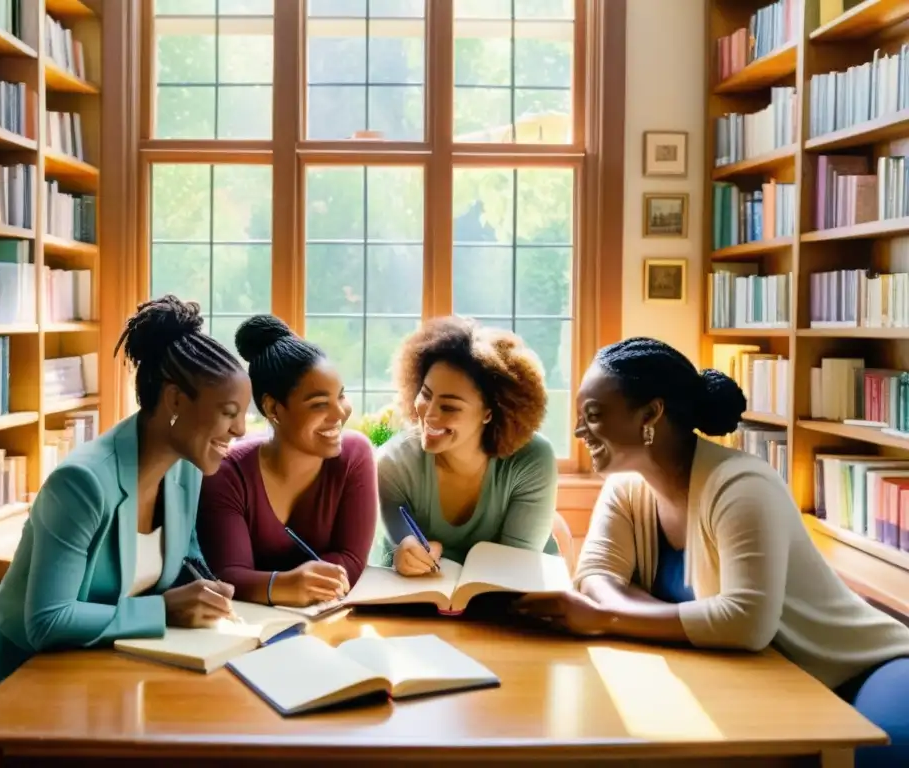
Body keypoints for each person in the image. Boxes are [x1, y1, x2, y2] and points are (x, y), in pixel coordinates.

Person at [514, 337, 909, 768]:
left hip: (863, 671)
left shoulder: (742, 486)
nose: (578, 432)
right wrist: (619, 609)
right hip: (768, 681)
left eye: (593, 416)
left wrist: (609, 617)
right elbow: (594, 577)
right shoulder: (626, 488)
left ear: (650, 414)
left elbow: (745, 623)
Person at [0, 296, 250, 768]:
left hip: (89, 677)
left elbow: (179, 564)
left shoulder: (187, 470)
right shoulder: (82, 483)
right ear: (175, 400)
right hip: (6, 689)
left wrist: (204, 590)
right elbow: (48, 620)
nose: (240, 429)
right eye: (230, 411)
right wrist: (164, 610)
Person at [197, 315, 377, 608]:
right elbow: (228, 575)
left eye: (340, 397)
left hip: (327, 622)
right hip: (250, 631)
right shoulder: (228, 472)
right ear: (272, 407)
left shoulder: (354, 455)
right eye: (320, 404)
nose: (340, 413)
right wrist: (285, 585)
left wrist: (291, 585)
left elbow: (352, 559)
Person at [376, 316, 559, 575]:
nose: (429, 416)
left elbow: (517, 566)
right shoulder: (393, 463)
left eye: (449, 406)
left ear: (489, 412)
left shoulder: (533, 459)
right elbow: (397, 544)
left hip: (513, 600)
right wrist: (404, 553)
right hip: (423, 602)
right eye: (426, 395)